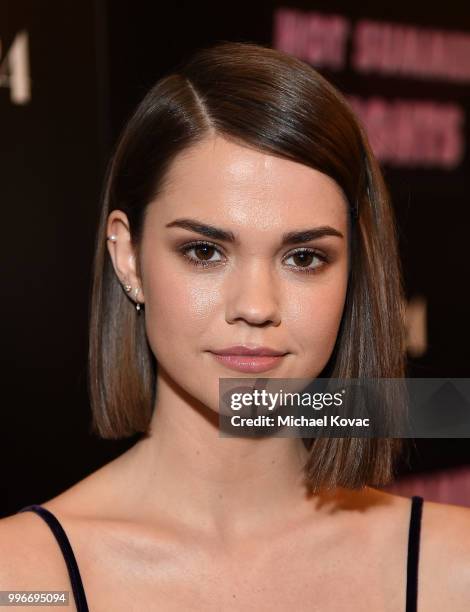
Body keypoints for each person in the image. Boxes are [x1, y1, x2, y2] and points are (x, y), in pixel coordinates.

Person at [1, 41, 469, 611]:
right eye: (204, 251)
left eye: (303, 258)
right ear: (129, 258)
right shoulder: (23, 578)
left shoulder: (454, 568)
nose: (254, 305)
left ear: (355, 274)